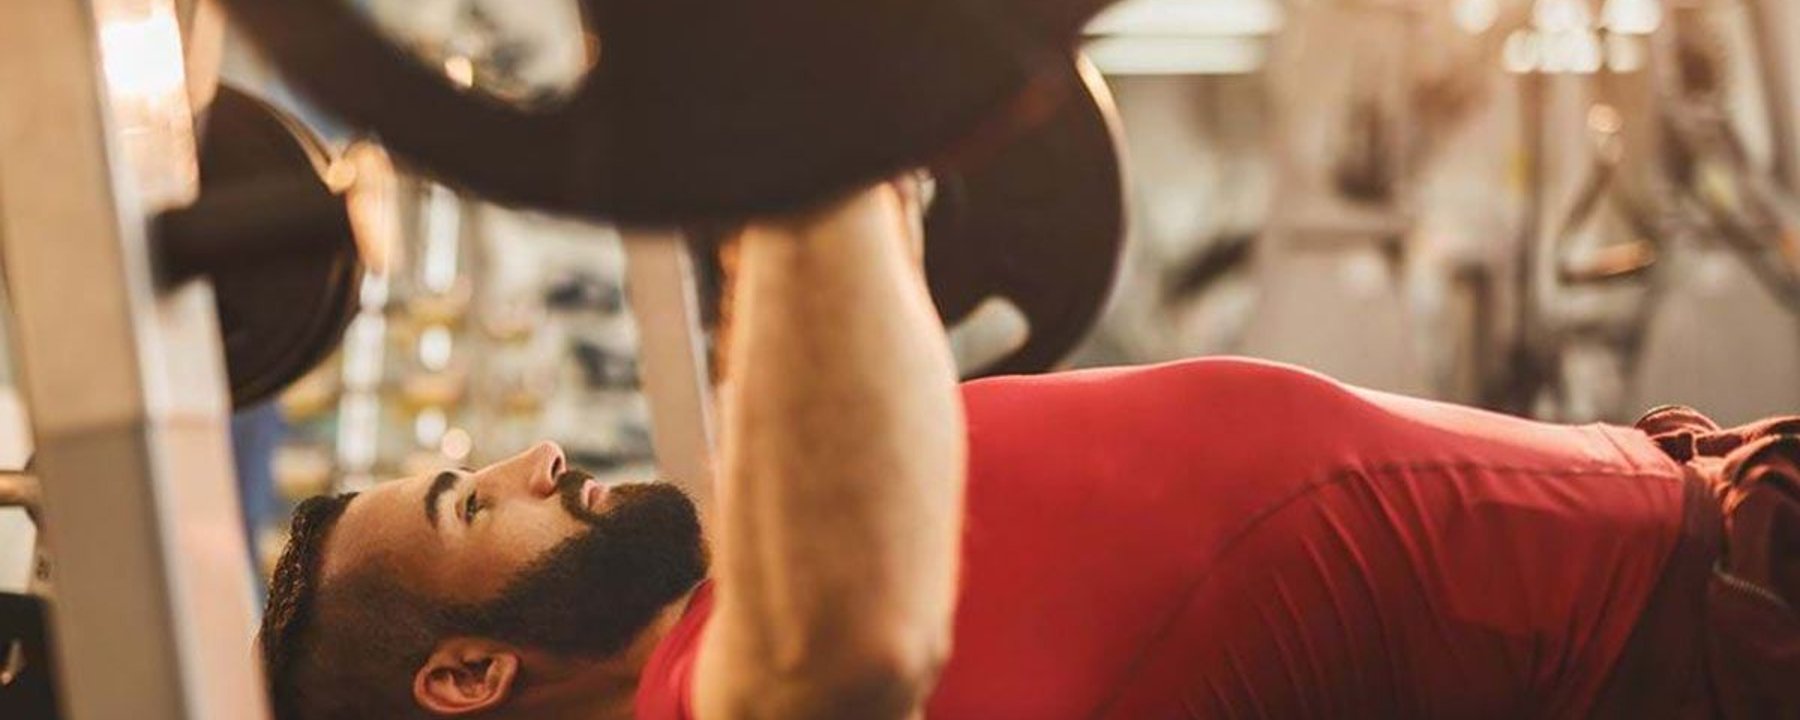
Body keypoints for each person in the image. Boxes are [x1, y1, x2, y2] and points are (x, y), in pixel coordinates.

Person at [259, 181, 1798, 720]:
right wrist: (805, 171)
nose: (533, 463)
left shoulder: (761, 587)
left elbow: (883, 384)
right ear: (465, 674)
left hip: (1712, 516)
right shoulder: (751, 684)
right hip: (1712, 638)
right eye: (469, 505)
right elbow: (844, 665)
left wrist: (863, 177)